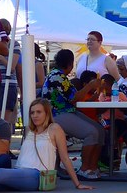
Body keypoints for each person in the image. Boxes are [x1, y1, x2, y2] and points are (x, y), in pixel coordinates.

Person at [41, 49, 104, 180]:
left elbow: (76, 99)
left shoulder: (58, 75)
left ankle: (92, 167)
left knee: (100, 130)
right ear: (70, 64)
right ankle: (84, 169)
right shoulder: (58, 77)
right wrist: (90, 85)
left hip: (66, 111)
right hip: (57, 114)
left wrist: (93, 96)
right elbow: (74, 98)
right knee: (92, 132)